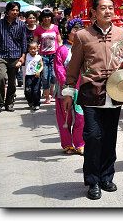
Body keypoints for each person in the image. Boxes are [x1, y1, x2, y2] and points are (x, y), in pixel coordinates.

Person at [63, 0, 123, 201]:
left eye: (111, 7)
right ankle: (92, 180)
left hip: (115, 91)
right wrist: (68, 90)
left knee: (110, 137)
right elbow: (74, 66)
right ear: (94, 12)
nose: (108, 11)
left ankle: (106, 176)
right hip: (91, 93)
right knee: (93, 137)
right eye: (103, 8)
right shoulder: (83, 36)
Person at [53, 19, 85, 154]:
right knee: (65, 117)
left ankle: (79, 142)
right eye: (74, 29)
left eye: (80, 29)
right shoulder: (62, 50)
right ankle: (67, 143)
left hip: (81, 88)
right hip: (64, 88)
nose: (77, 32)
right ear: (69, 31)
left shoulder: (85, 48)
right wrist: (66, 86)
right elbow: (59, 70)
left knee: (81, 116)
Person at [0, 1, 27, 113]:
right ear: (7, 11)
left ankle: (9, 103)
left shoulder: (21, 25)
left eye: (17, 10)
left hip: (15, 56)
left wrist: (23, 56)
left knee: (12, 81)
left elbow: (24, 42)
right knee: (0, 78)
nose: (15, 12)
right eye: (13, 10)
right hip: (0, 55)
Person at [34, 9, 62, 105]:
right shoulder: (38, 29)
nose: (47, 19)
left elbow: (59, 41)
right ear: (42, 18)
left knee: (54, 76)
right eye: (45, 17)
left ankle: (51, 92)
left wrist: (61, 52)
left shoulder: (55, 28)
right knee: (45, 76)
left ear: (51, 17)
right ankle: (47, 96)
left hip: (55, 55)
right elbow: (35, 42)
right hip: (43, 56)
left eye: (48, 16)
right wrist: (35, 51)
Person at [21, 38, 43, 110]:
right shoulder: (27, 55)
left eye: (34, 48)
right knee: (28, 90)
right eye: (31, 49)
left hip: (36, 76)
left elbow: (41, 65)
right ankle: (30, 102)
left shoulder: (39, 57)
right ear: (28, 49)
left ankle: (37, 103)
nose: (32, 50)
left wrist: (39, 71)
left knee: (36, 90)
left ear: (37, 49)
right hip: (28, 76)